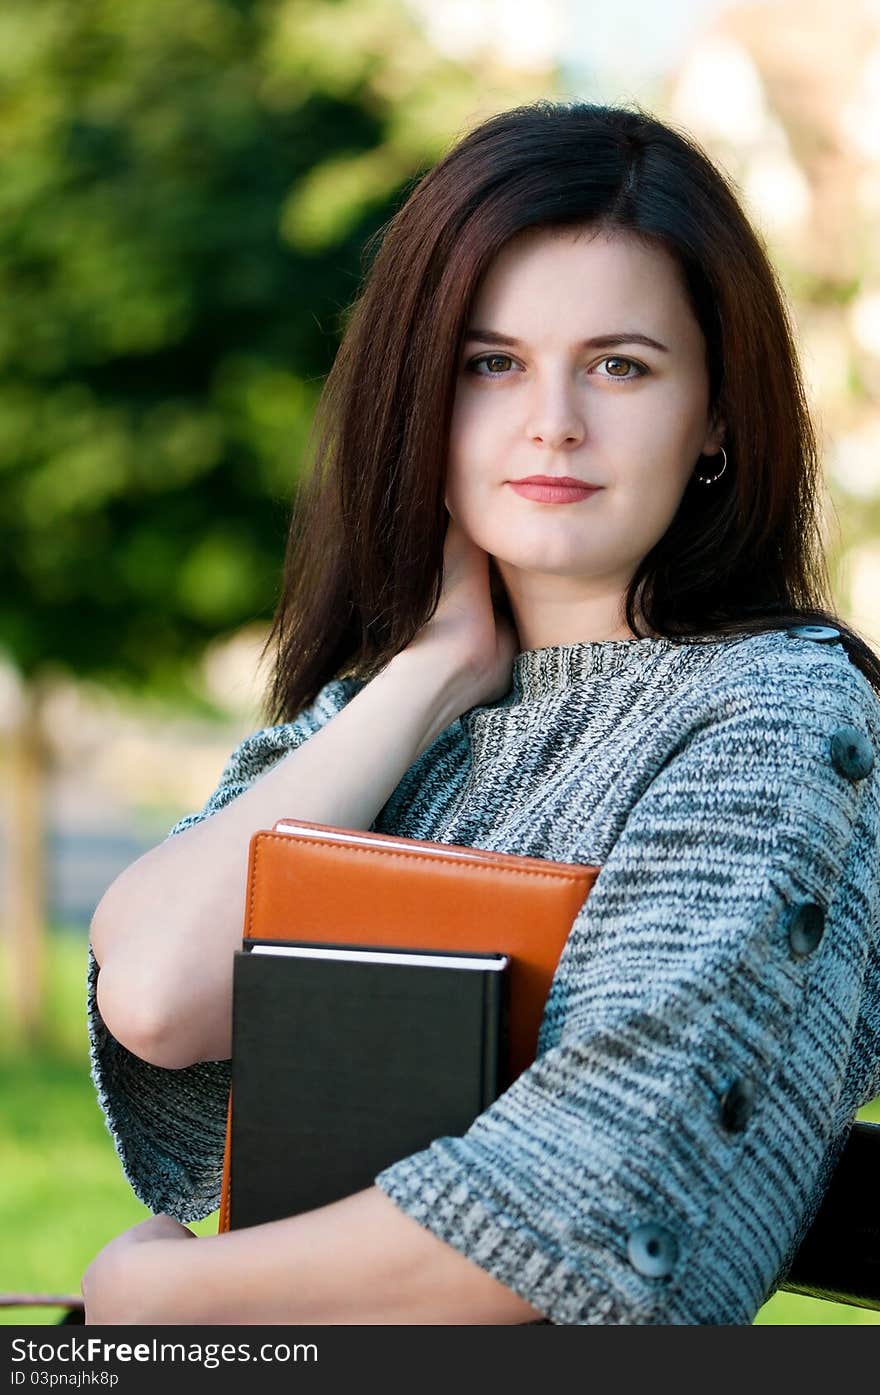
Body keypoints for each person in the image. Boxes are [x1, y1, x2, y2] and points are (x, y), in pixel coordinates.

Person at [82, 99, 880, 1326]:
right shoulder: (398, 709)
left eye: (620, 364)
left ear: (716, 411)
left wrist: (170, 1295)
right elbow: (156, 992)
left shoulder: (776, 722)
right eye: (489, 363)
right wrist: (431, 673)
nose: (551, 419)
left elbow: (597, 1204)